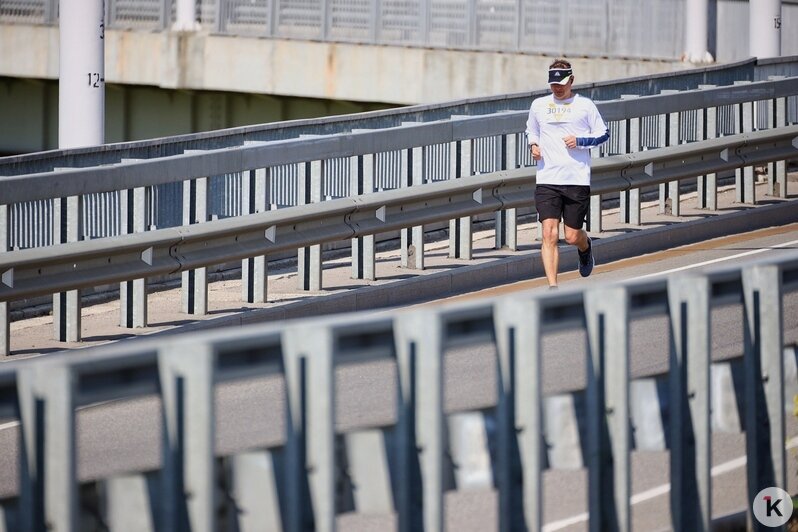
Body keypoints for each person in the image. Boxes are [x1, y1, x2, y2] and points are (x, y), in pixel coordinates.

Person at [525, 59, 609, 289]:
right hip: (547, 179)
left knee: (571, 236)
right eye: (553, 84)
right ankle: (553, 287)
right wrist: (533, 145)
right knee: (549, 233)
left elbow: (604, 134)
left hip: (576, 179)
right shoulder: (539, 105)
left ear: (571, 80)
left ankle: (585, 246)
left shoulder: (585, 106)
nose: (557, 88)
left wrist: (580, 141)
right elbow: (531, 130)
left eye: (561, 83)